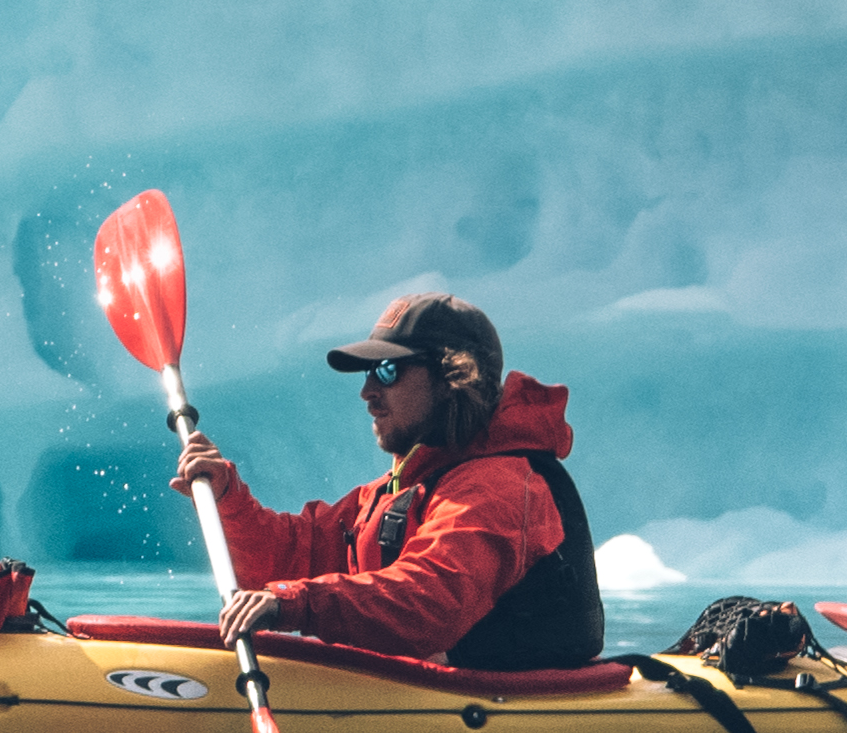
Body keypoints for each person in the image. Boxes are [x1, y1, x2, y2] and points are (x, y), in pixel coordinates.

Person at [171, 286, 604, 669]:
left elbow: (428, 601)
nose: (368, 392)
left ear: (454, 375)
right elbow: (292, 553)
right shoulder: (402, 487)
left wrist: (295, 602)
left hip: (505, 706)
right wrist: (227, 495)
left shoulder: (502, 487)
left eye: (388, 371)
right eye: (368, 372)